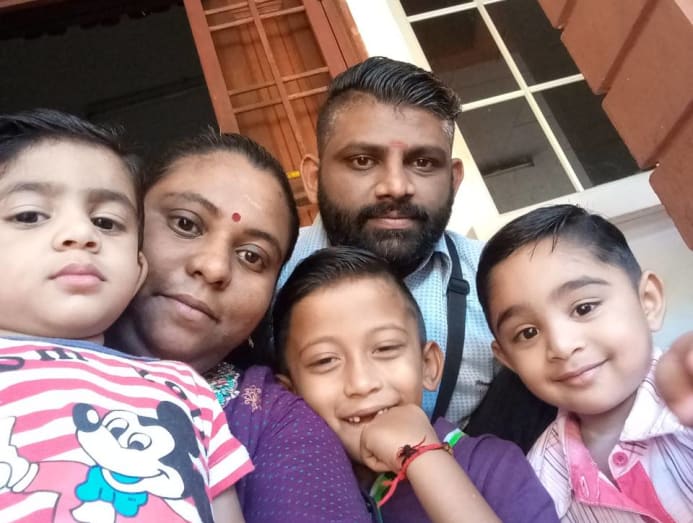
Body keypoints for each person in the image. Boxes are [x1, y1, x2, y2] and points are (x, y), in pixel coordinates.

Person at [279, 56, 555, 434]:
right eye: (363, 160)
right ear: (313, 178)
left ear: (453, 180)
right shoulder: (265, 277)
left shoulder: (500, 286)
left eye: (423, 162)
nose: (396, 186)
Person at [106, 130, 371, 522]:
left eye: (252, 256)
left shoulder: (276, 425)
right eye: (185, 223)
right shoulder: (20, 356)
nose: (213, 267)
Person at [0, 109, 250, 522]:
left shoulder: (184, 388)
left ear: (138, 269)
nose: (81, 234)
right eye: (30, 215)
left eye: (106, 221)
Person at [272, 246, 560, 523]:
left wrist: (423, 457)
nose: (362, 383)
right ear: (289, 394)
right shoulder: (293, 487)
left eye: (385, 348)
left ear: (428, 365)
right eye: (325, 360)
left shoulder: (493, 466)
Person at [476, 204, 693, 521]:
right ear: (508, 360)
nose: (561, 346)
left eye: (584, 308)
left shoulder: (687, 394)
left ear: (647, 301)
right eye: (528, 333)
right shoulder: (537, 480)